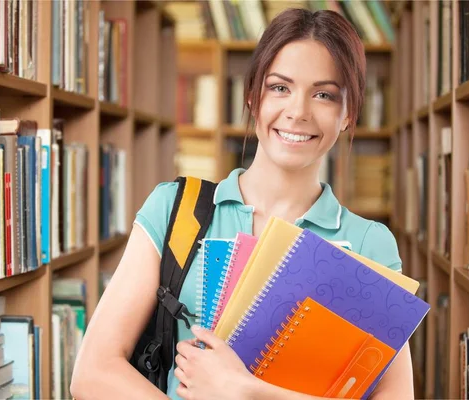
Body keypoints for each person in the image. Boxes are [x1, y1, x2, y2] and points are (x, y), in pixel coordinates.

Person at [70, 7, 414, 400]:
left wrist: (245, 391)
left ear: (348, 113)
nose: (297, 112)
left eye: (323, 94)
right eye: (279, 87)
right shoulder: (174, 210)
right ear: (252, 96)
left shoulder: (370, 244)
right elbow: (92, 374)